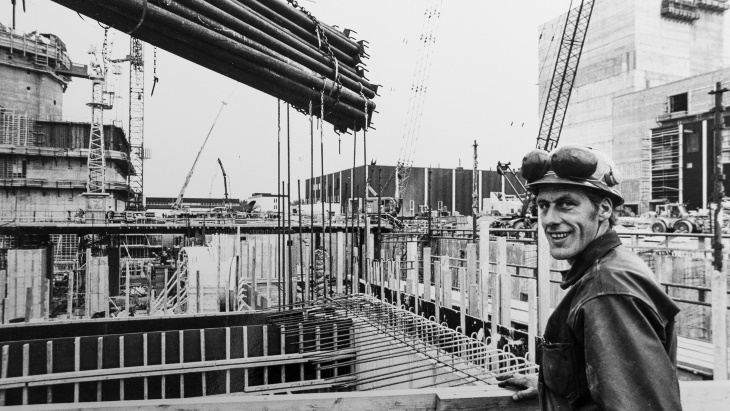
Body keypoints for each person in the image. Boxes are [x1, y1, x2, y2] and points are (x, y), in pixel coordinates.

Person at [497, 145, 682, 410]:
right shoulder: (616, 264)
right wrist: (550, 385)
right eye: (543, 205)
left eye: (566, 204)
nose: (550, 219)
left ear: (604, 209)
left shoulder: (607, 290)